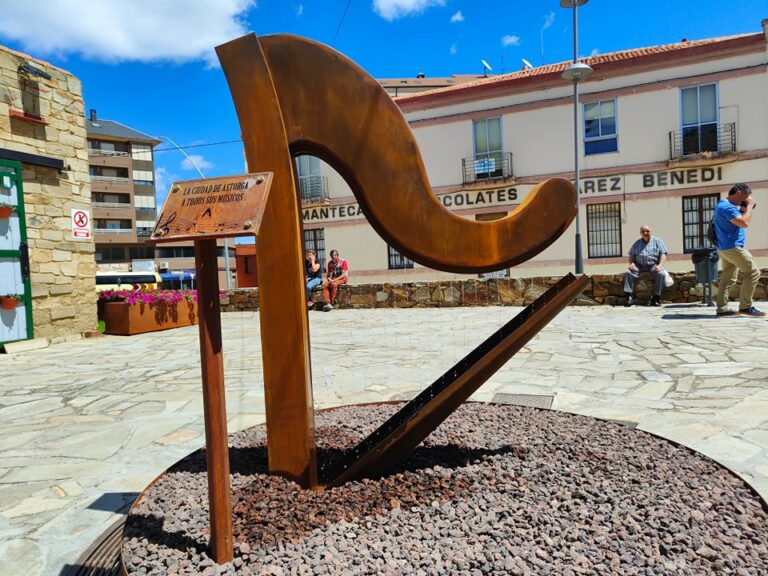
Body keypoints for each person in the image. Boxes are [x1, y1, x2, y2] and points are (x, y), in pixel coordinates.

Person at [714, 183, 764, 317]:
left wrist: (743, 208)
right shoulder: (727, 207)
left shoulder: (722, 205)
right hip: (733, 247)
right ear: (738, 193)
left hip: (724, 247)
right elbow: (744, 223)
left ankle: (722, 309)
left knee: (727, 279)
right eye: (744, 198)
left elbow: (738, 220)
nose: (744, 200)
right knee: (753, 273)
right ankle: (745, 307)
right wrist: (749, 208)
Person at [623, 225, 669, 307]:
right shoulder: (637, 243)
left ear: (650, 231)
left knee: (661, 274)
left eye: (647, 231)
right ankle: (629, 297)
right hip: (639, 265)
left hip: (653, 264)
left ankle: (656, 298)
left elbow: (664, 253)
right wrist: (632, 264)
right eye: (643, 231)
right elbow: (631, 256)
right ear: (640, 233)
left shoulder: (657, 241)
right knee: (628, 273)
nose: (645, 233)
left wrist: (660, 265)